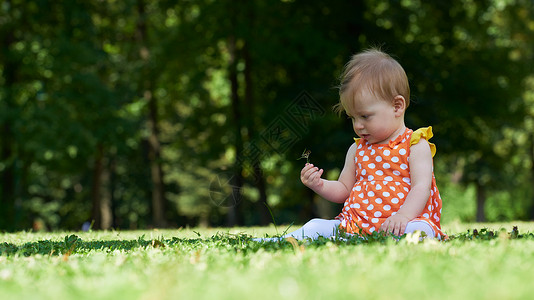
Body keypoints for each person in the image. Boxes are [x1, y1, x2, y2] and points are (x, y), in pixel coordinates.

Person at [254, 48, 445, 242]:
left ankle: (397, 237)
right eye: (352, 117)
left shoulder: (414, 145)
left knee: (419, 231)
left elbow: (421, 187)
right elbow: (344, 189)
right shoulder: (357, 149)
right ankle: (282, 241)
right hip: (355, 224)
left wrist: (402, 217)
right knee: (316, 225)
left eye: (364, 116)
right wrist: (319, 184)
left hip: (405, 222)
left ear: (397, 106)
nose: (358, 125)